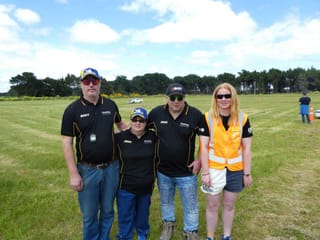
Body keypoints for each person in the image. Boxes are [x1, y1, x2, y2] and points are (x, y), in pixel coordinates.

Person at [61, 67, 128, 240]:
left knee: (107, 210)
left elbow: (121, 126)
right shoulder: (72, 110)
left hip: (112, 167)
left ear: (100, 83)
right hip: (87, 170)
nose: (91, 85)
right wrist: (73, 174)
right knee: (90, 214)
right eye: (86, 81)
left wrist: (137, 135)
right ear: (81, 85)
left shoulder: (110, 105)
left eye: (94, 81)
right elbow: (67, 142)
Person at [147, 83, 209, 240]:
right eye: (172, 98)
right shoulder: (156, 113)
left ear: (184, 98)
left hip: (186, 172)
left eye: (179, 98)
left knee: (191, 206)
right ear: (166, 98)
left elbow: (205, 141)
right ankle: (168, 226)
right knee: (166, 203)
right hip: (163, 171)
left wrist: (199, 160)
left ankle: (191, 232)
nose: (176, 101)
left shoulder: (195, 115)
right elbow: (141, 131)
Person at [200, 83, 253, 240]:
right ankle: (210, 236)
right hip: (214, 170)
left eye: (227, 96)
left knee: (229, 205)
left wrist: (247, 173)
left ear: (233, 97)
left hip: (235, 170)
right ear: (215, 99)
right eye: (220, 96)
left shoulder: (243, 119)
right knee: (212, 205)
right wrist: (205, 173)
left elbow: (247, 149)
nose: (223, 99)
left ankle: (227, 236)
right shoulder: (207, 117)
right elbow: (203, 147)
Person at [115, 107, 158, 240]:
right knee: (125, 213)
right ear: (131, 120)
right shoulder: (120, 138)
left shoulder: (153, 137)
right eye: (135, 119)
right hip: (125, 185)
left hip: (146, 185)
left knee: (143, 213)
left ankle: (142, 233)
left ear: (146, 122)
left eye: (141, 120)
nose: (138, 123)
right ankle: (125, 235)